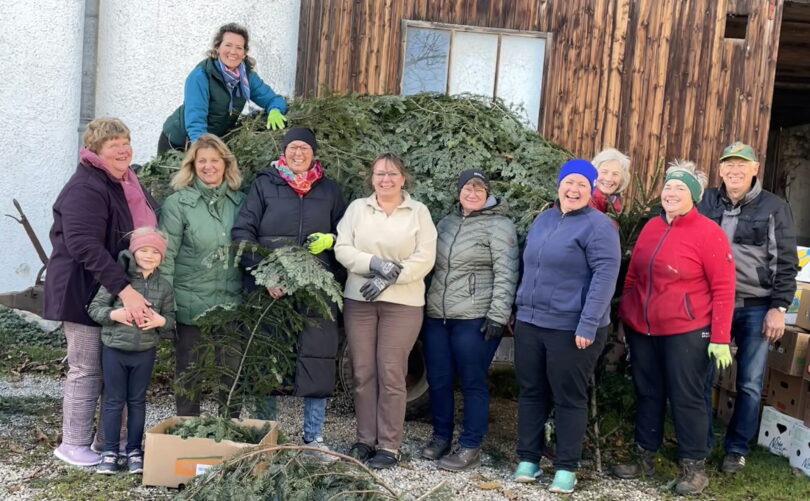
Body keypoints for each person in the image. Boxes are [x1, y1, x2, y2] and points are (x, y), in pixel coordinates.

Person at [612, 160, 736, 495]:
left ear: (694, 196)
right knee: (648, 392)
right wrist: (627, 314)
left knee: (687, 397)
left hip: (688, 330)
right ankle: (643, 457)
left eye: (680, 188)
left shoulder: (709, 233)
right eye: (668, 186)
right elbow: (633, 276)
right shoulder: (651, 227)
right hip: (644, 330)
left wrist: (720, 336)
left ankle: (694, 467)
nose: (671, 193)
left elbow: (724, 288)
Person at [44, 118, 157, 467]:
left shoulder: (123, 181)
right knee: (87, 369)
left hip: (112, 291)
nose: (123, 149)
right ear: (95, 150)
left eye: (125, 141)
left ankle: (109, 441)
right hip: (83, 290)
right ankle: (73, 444)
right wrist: (125, 289)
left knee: (114, 370)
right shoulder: (87, 186)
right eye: (113, 145)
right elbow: (83, 244)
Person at [231, 126, 346, 462]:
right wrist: (264, 273)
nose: (298, 153)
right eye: (293, 147)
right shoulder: (264, 185)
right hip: (271, 289)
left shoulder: (330, 190)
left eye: (304, 148)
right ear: (283, 151)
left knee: (317, 357)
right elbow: (242, 231)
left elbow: (349, 234)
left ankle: (314, 438)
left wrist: (333, 242)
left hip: (315, 290)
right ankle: (267, 433)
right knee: (267, 358)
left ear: (314, 153)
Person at [511, 158, 620, 494]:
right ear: (559, 185)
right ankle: (529, 458)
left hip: (572, 327)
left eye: (582, 185)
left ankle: (566, 467)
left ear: (591, 190)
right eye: (568, 183)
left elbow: (605, 277)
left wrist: (587, 324)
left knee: (568, 397)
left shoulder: (599, 227)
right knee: (531, 391)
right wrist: (518, 308)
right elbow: (528, 265)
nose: (573, 190)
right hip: (531, 322)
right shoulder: (544, 219)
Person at [698, 142, 799, 473]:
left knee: (750, 382)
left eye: (742, 164)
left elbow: (786, 262)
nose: (735, 170)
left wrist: (779, 307)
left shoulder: (774, 207)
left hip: (754, 306)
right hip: (710, 304)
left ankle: (736, 448)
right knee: (701, 376)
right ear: (720, 169)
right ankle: (699, 444)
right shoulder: (706, 200)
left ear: (755, 169)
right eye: (729, 164)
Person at [335, 152, 437, 469]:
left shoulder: (418, 212)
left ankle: (390, 445)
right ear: (372, 178)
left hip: (403, 304)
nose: (386, 179)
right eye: (380, 173)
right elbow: (342, 248)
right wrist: (374, 264)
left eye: (392, 174)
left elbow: (425, 257)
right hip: (360, 302)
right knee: (363, 372)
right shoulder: (357, 209)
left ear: (403, 178)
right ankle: (365, 440)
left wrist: (390, 277)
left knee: (391, 373)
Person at [421, 169, 518, 471]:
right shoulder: (446, 223)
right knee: (438, 380)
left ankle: (470, 445)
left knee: (472, 381)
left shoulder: (500, 226)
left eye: (479, 189)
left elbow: (507, 272)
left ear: (487, 193)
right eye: (467, 188)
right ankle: (441, 436)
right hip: (438, 316)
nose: (473, 193)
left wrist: (498, 315)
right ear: (459, 191)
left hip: (475, 318)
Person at [159, 134, 246, 416]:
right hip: (190, 306)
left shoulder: (240, 202)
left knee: (231, 374)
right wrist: (166, 305)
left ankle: (229, 429)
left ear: (226, 164)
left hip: (230, 304)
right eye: (202, 161)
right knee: (189, 375)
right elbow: (166, 257)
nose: (208, 166)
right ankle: (187, 428)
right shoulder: (177, 204)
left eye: (215, 160)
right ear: (192, 165)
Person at [87, 228, 175, 474]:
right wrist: (114, 314)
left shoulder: (165, 287)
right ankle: (110, 451)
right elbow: (95, 309)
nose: (149, 256)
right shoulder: (119, 282)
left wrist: (161, 321)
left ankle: (135, 450)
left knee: (137, 401)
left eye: (155, 252)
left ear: (162, 257)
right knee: (114, 401)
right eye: (143, 250)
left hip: (145, 352)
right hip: (115, 350)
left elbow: (170, 319)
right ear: (133, 252)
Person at [159, 23, 288, 153]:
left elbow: (274, 99)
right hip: (179, 143)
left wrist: (275, 110)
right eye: (228, 45)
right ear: (217, 48)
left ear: (244, 53)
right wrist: (202, 150)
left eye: (239, 47)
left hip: (213, 142)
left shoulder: (247, 77)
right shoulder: (201, 76)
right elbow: (196, 120)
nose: (233, 52)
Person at [589, 148, 630, 214]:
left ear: (622, 178)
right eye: (604, 172)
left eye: (615, 174)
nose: (609, 179)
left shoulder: (613, 202)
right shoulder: (586, 202)